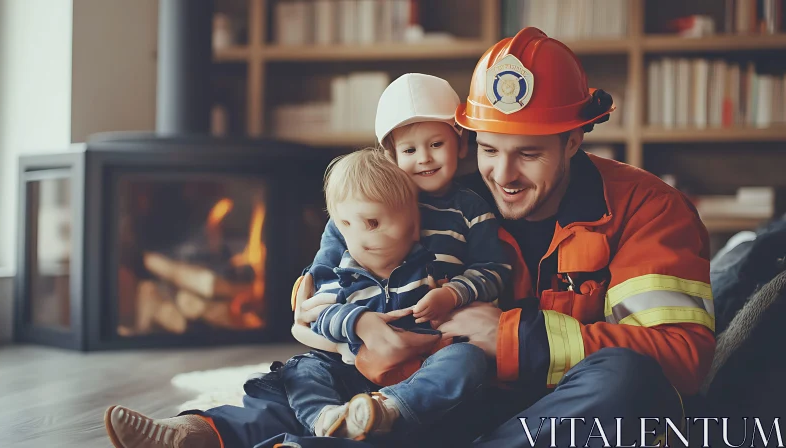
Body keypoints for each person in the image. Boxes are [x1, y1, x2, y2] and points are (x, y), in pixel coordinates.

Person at [103, 27, 716, 448]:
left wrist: (507, 336)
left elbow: (682, 358)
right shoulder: (454, 198)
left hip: (542, 407)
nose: (503, 175)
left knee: (630, 387)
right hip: (434, 387)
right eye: (489, 149)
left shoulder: (649, 209)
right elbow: (360, 237)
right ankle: (203, 435)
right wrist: (320, 305)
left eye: (528, 154)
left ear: (575, 139)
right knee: (324, 380)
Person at [275, 148, 491, 441]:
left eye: (373, 224)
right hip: (352, 368)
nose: (359, 239)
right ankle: (328, 420)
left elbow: (482, 279)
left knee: (468, 359)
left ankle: (387, 413)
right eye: (346, 226)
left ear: (414, 226)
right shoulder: (342, 269)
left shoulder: (429, 266)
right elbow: (319, 315)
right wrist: (358, 322)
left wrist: (451, 295)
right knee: (301, 369)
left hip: (417, 373)